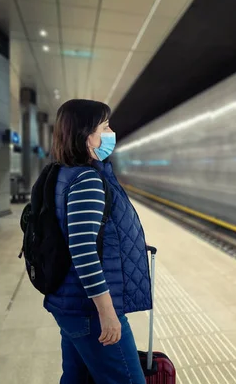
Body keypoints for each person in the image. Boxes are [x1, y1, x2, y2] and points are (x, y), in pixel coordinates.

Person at [46, 99, 151, 383]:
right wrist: (107, 313)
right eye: (104, 126)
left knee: (76, 379)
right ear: (86, 135)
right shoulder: (87, 181)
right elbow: (82, 251)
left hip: (71, 304)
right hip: (90, 310)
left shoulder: (63, 173)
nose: (110, 132)